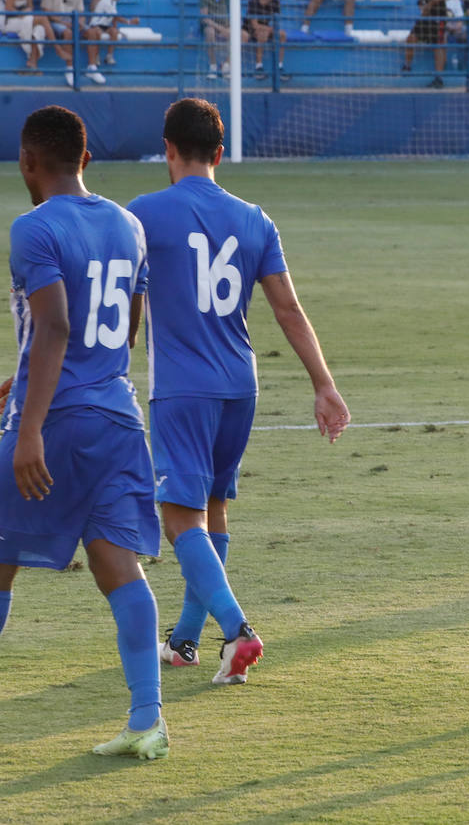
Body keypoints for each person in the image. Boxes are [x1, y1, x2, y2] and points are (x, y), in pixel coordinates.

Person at [126, 98, 349, 680]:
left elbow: (126, 303)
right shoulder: (256, 220)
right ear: (220, 154)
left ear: (168, 150)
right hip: (240, 387)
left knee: (180, 518)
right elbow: (289, 309)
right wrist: (324, 385)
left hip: (182, 389)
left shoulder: (143, 214)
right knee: (214, 508)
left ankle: (237, 630)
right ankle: (184, 641)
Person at [0, 105, 167, 759]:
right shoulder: (129, 224)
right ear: (87, 159)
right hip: (118, 416)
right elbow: (125, 330)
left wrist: (30, 427)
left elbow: (56, 326)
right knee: (116, 564)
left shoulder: (33, 227)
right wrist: (26, 374)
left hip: (55, 419)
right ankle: (148, 720)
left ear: (27, 162)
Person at [42, 0, 99, 85]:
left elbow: (81, 13)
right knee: (68, 33)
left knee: (92, 32)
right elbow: (47, 13)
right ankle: (69, 69)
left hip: (72, 21)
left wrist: (81, 23)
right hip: (56, 22)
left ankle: (92, 67)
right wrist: (65, 23)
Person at [400, 0, 445, 88]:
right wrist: (423, 7)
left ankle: (439, 78)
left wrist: (429, 5)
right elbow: (424, 1)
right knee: (411, 38)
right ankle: (407, 66)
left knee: (437, 46)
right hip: (426, 18)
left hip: (438, 17)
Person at [2, 0, 47, 74]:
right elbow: (8, 8)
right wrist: (21, 13)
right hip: (8, 21)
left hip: (22, 18)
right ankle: (57, 47)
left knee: (39, 29)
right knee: (42, 19)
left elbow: (30, 7)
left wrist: (27, 11)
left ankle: (32, 63)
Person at [244, 0, 289, 80]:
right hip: (249, 29)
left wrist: (271, 30)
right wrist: (270, 30)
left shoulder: (275, 2)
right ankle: (258, 67)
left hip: (267, 28)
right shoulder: (253, 1)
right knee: (263, 34)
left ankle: (279, 66)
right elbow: (255, 25)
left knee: (282, 34)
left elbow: (276, 22)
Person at [87, 0, 137, 68]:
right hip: (96, 25)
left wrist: (115, 28)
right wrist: (129, 21)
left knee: (114, 32)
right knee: (97, 33)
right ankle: (96, 56)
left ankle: (109, 56)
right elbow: (116, 17)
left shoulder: (113, 1)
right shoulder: (106, 1)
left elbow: (113, 18)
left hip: (105, 26)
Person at [200, 0, 231, 78]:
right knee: (210, 32)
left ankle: (226, 65)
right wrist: (220, 28)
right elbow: (205, 17)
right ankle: (213, 65)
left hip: (225, 25)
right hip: (211, 25)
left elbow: (234, 14)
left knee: (242, 35)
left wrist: (228, 27)